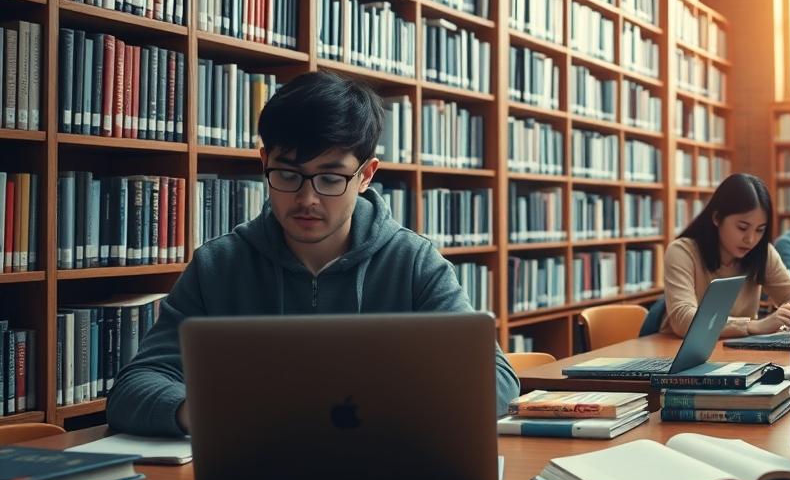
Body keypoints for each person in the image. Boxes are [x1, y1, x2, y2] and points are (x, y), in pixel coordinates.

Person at [107, 72, 520, 437]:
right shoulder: (219, 265)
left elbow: (497, 380)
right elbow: (136, 384)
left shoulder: (412, 262)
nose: (307, 199)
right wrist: (198, 412)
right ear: (264, 162)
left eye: (330, 178)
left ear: (366, 175)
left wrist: (391, 406)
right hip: (256, 472)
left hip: (384, 467)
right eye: (288, 174)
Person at [663, 173, 790, 337]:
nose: (751, 239)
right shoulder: (682, 252)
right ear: (717, 218)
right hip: (676, 347)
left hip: (740, 348)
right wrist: (753, 325)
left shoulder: (763, 252)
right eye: (742, 227)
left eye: (760, 230)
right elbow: (682, 319)